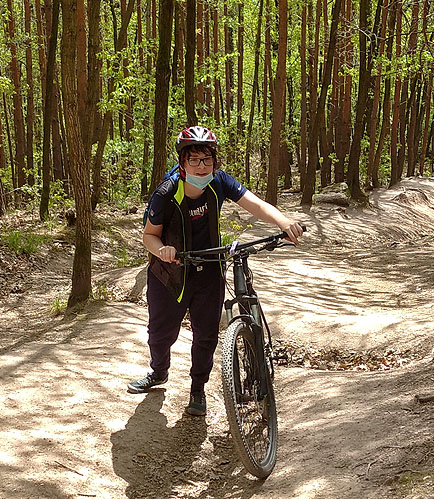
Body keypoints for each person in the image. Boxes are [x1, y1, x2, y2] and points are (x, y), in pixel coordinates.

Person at [130, 126, 304, 416]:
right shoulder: (166, 192)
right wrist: (162, 250)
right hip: (169, 275)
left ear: (215, 161)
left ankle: (197, 389)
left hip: (209, 270)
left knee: (207, 336)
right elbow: (149, 235)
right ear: (183, 162)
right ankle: (159, 371)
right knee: (160, 334)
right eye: (194, 160)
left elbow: (255, 204)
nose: (201, 166)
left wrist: (283, 222)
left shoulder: (219, 182)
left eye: (207, 159)